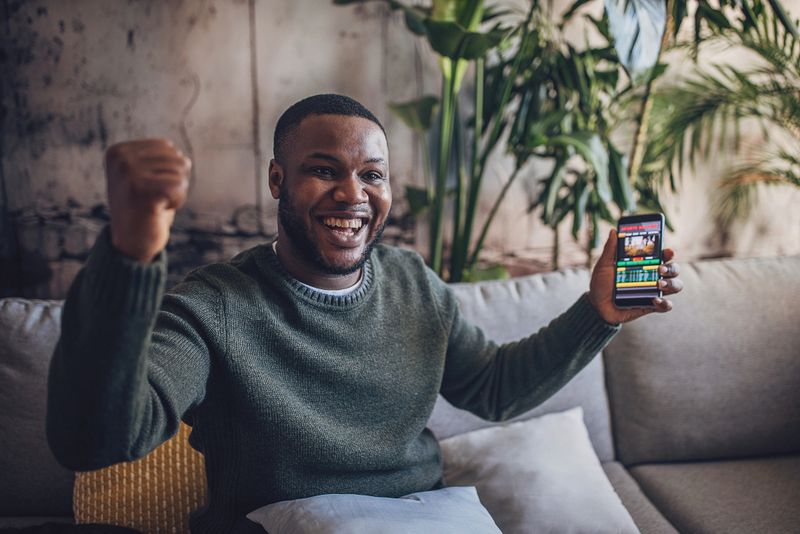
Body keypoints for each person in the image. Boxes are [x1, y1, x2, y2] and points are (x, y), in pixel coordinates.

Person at [47, 94, 683, 533]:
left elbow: (491, 387)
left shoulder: (413, 281)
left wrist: (596, 314)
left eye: (372, 175)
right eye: (323, 171)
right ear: (277, 180)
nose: (352, 195)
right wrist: (129, 256)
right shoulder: (213, 305)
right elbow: (97, 440)